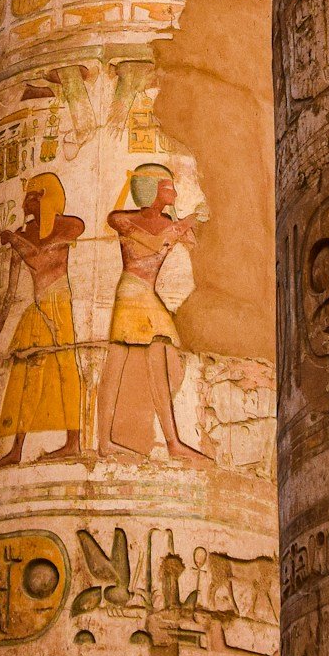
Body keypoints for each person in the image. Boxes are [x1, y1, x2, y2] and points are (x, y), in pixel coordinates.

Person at [97, 166, 208, 463]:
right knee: (117, 360)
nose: (173, 192)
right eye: (167, 187)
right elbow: (152, 242)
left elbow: (190, 243)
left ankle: (172, 442)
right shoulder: (125, 219)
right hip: (132, 291)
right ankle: (106, 441)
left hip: (146, 293)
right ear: (150, 189)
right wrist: (184, 223)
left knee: (149, 355)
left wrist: (188, 223)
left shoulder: (169, 222)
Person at [0, 174, 85, 465]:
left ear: (45, 197)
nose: (24, 203)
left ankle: (74, 442)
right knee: (29, 373)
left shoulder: (68, 226)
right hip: (38, 306)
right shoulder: (24, 233)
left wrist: (16, 240)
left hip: (59, 302)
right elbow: (11, 288)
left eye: (31, 196)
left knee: (67, 369)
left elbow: (42, 257)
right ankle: (17, 449)